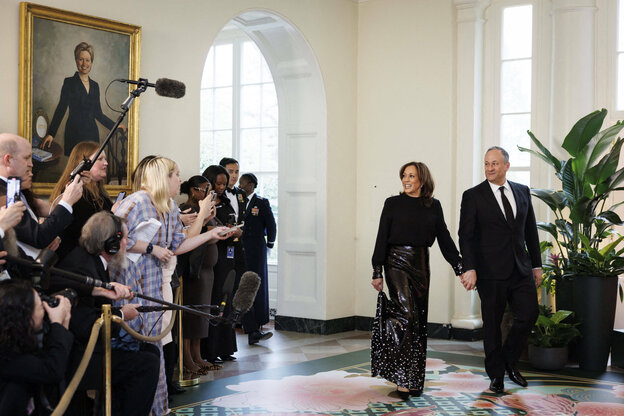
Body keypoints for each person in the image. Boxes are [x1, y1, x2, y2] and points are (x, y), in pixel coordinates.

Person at [111, 157, 230, 415]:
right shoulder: (135, 203)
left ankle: (156, 409)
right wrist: (151, 248)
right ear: (162, 178)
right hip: (129, 289)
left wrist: (210, 234)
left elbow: (177, 246)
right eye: (176, 175)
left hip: (153, 291)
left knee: (154, 353)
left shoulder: (168, 208)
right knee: (133, 353)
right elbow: (111, 240)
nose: (180, 180)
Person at [370, 161, 463, 400]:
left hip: (421, 264)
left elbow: (444, 238)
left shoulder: (433, 206)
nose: (406, 179)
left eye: (411, 175)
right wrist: (377, 270)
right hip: (395, 262)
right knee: (406, 315)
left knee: (419, 322)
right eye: (403, 175)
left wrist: (459, 266)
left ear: (422, 180)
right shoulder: (392, 203)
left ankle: (414, 381)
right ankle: (402, 379)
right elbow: (382, 236)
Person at [53, 212, 159, 416]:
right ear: (111, 244)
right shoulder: (82, 267)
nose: (128, 243)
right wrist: (121, 314)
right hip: (76, 357)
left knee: (149, 352)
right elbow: (84, 326)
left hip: (87, 348)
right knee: (147, 364)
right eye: (125, 239)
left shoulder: (88, 260)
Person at [458, 146, 541, 394]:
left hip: (520, 269)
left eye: (494, 163)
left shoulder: (522, 191)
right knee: (492, 325)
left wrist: (536, 264)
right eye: (486, 164)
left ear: (506, 165)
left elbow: (530, 232)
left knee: (528, 315)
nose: (490, 168)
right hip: (489, 271)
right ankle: (497, 376)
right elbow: (466, 236)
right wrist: (469, 268)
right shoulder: (473, 196)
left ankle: (508, 361)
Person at [0, 133, 83, 261]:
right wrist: (67, 201)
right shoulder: (3, 194)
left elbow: (48, 212)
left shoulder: (13, 187)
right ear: (8, 160)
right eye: (26, 158)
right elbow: (38, 237)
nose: (31, 164)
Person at [0, 280, 73, 415]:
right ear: (26, 316)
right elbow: (52, 370)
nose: (45, 310)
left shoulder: (14, 341)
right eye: (40, 306)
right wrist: (57, 324)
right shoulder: (6, 355)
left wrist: (63, 325)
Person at [41, 42, 126, 156]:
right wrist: (51, 133)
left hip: (92, 134)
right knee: (75, 170)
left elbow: (98, 113)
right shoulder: (69, 82)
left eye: (88, 60)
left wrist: (114, 125)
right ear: (76, 60)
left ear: (91, 62)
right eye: (81, 59)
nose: (84, 63)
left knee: (90, 170)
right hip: (74, 133)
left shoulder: (95, 86)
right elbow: (61, 109)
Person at [177, 175, 222, 375]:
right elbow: (191, 236)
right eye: (205, 190)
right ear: (194, 190)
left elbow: (209, 233)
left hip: (207, 271)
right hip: (193, 270)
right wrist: (209, 230)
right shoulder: (187, 209)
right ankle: (186, 357)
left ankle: (197, 355)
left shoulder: (205, 210)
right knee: (191, 314)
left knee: (201, 315)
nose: (208, 194)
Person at [50, 141, 113, 259]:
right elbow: (82, 230)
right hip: (75, 261)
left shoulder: (100, 194)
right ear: (83, 164)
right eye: (100, 159)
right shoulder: (73, 192)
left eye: (105, 159)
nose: (106, 163)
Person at [201, 165, 238, 363]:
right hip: (214, 255)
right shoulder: (205, 204)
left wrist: (237, 230)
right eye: (219, 183)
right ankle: (210, 350)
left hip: (229, 253)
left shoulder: (226, 201)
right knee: (215, 300)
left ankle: (225, 347)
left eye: (225, 184)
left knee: (227, 299)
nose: (223, 187)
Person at [239, 173, 275, 344]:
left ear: (252, 184)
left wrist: (270, 244)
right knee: (243, 287)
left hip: (257, 250)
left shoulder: (261, 202)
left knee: (257, 285)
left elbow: (271, 224)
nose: (241, 185)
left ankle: (259, 324)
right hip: (241, 249)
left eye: (243, 182)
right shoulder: (239, 201)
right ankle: (248, 325)